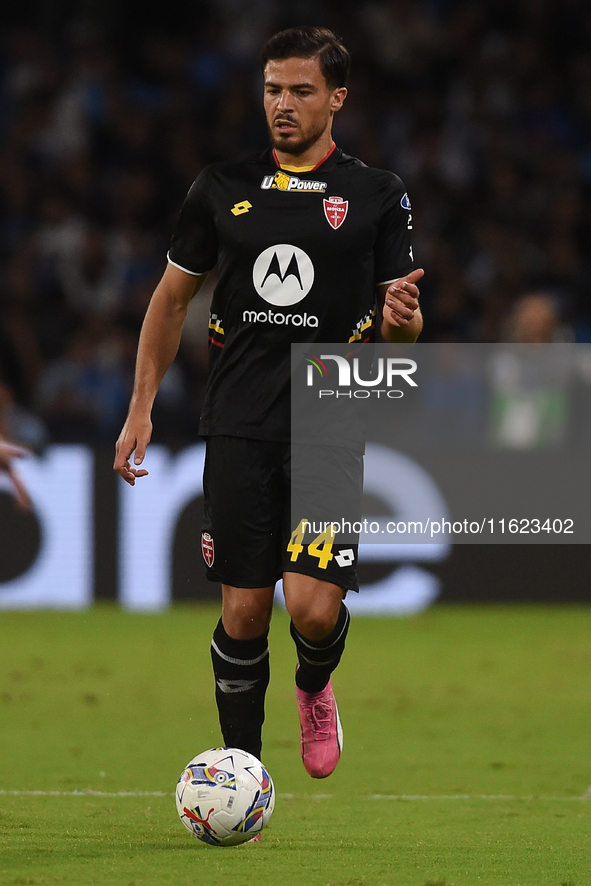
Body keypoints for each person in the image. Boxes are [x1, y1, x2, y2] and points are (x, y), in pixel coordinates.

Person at [114, 26, 423, 783]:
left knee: (312, 612)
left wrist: (402, 325)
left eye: (300, 91)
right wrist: (141, 407)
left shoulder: (376, 194)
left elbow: (404, 336)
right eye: (271, 90)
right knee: (246, 611)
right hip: (239, 421)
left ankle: (313, 685)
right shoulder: (220, 187)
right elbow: (168, 300)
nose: (281, 105)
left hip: (329, 420)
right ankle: (241, 776)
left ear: (336, 98)